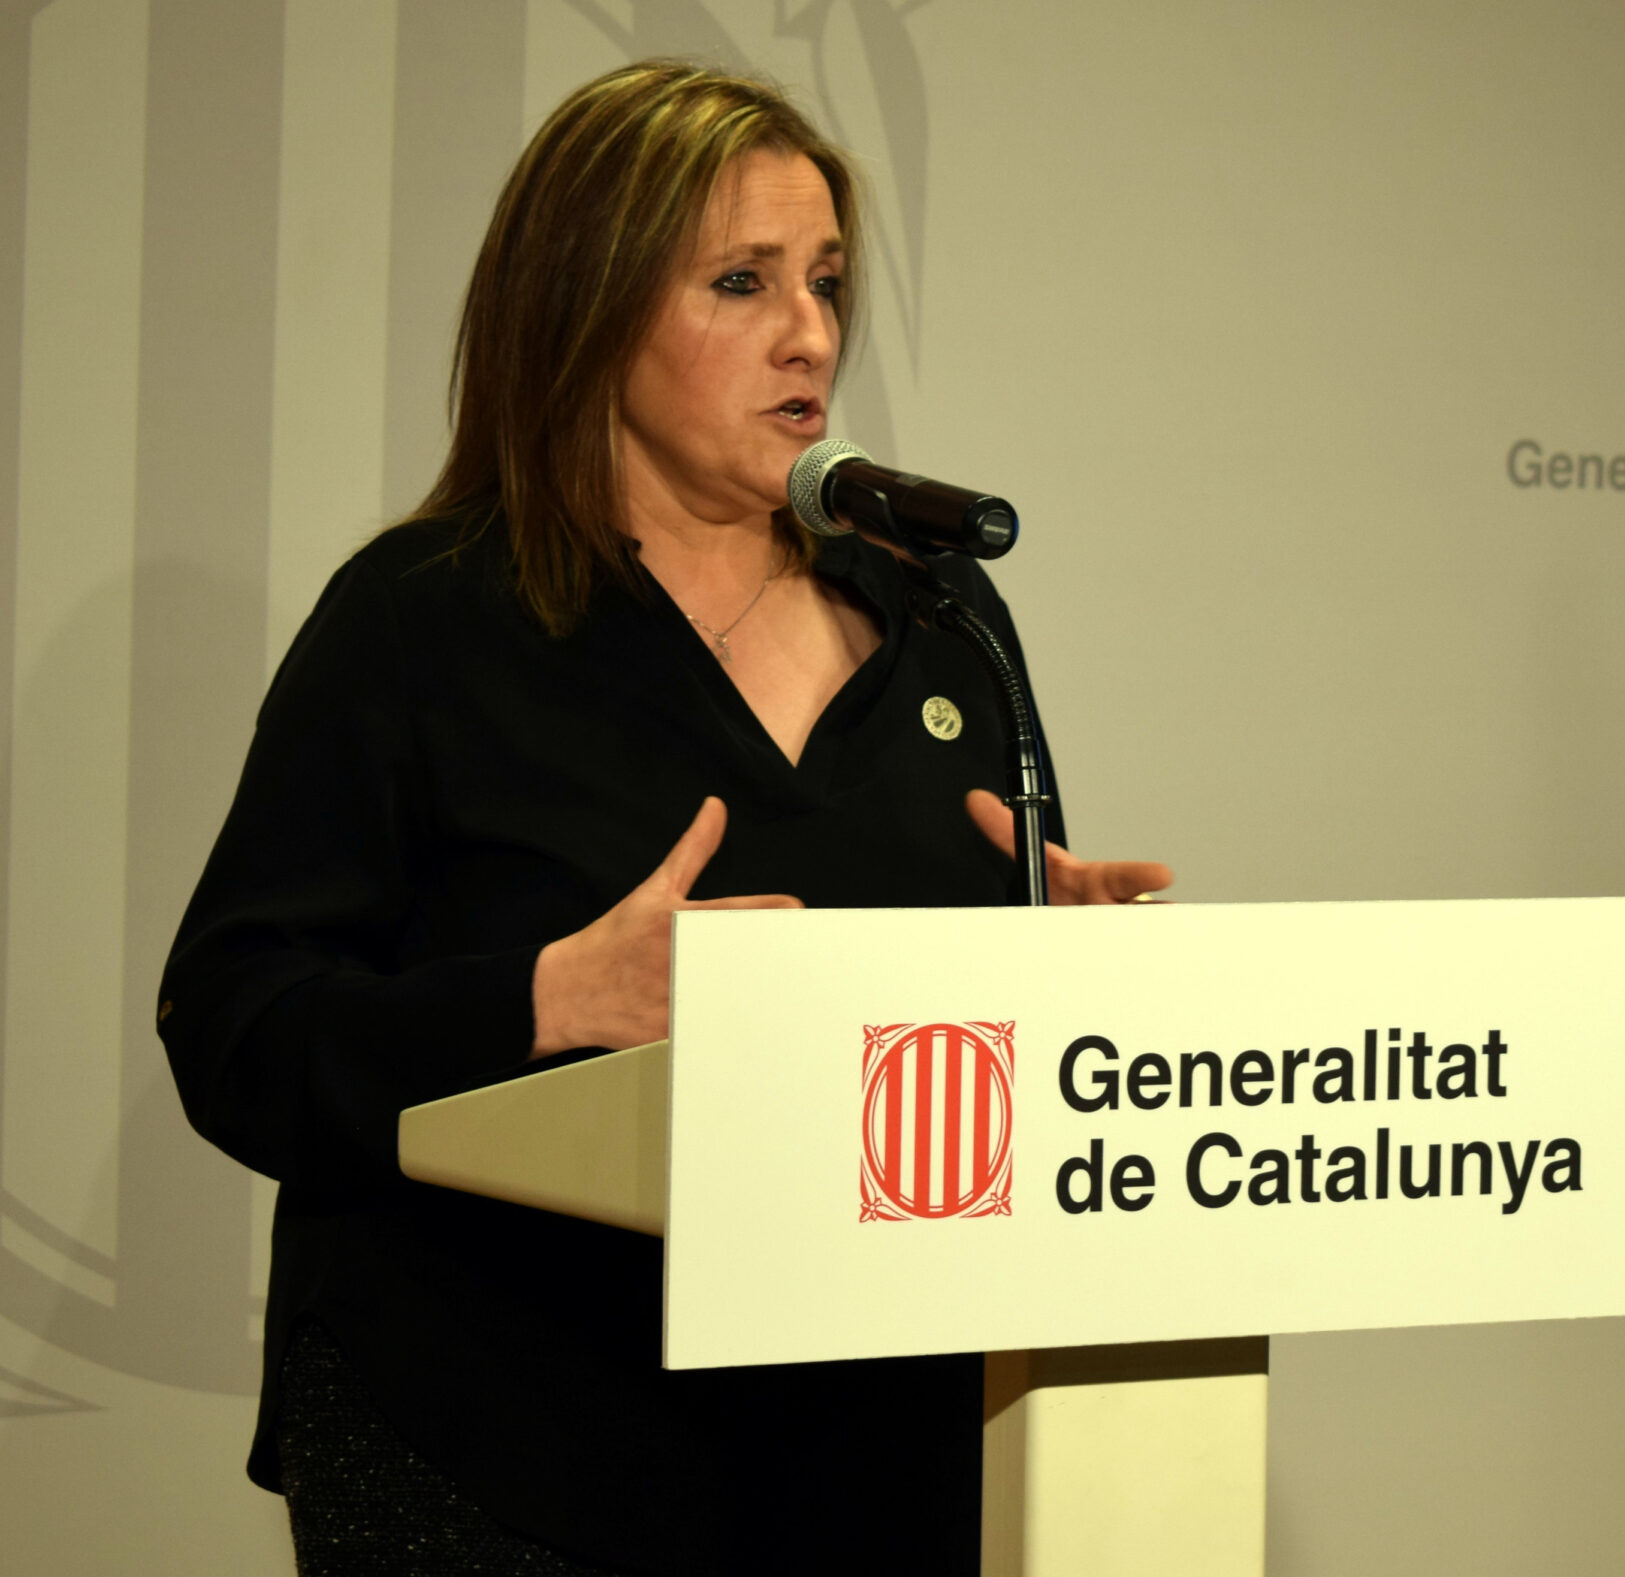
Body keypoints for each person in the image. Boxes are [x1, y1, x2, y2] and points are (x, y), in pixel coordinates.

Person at [158, 60, 1168, 1576]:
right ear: (588, 308)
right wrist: (551, 998)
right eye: (742, 281)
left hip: (877, 1450)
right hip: (502, 1445)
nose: (810, 332)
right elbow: (234, 1025)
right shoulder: (425, 621)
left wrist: (1055, 966)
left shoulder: (939, 623)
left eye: (826, 281)